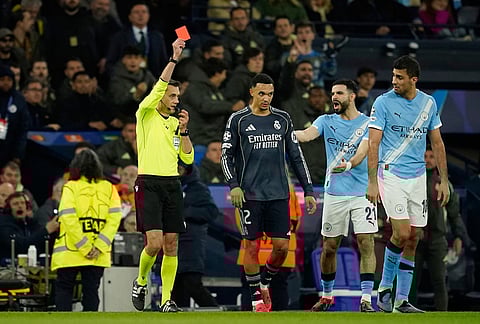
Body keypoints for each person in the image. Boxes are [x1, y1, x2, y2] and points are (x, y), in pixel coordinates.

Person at [221, 73, 317, 312]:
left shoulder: (282, 118)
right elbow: (226, 156)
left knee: (281, 247)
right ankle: (256, 297)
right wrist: (233, 185)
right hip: (250, 195)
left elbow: (296, 157)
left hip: (278, 194)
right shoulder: (238, 119)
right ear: (252, 91)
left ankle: (265, 282)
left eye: (270, 94)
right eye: (262, 93)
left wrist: (308, 190)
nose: (266, 98)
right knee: (251, 247)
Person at [366, 55, 449, 313]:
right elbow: (373, 143)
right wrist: (371, 181)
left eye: (399, 77)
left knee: (414, 237)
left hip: (417, 177)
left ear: (414, 79)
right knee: (401, 233)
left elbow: (437, 142)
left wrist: (444, 180)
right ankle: (384, 290)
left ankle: (401, 300)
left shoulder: (428, 103)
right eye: (393, 76)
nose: (394, 81)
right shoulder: (382, 102)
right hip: (390, 174)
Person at [294, 79, 377, 312]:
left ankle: (367, 299)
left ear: (352, 96)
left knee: (366, 242)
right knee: (330, 246)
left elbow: (364, 150)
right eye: (332, 93)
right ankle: (327, 295)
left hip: (362, 192)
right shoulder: (326, 120)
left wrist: (349, 165)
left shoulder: (369, 123)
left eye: (339, 93)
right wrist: (287, 133)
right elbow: (308, 134)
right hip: (334, 193)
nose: (334, 97)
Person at [131, 38, 194, 313]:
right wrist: (174, 58)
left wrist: (184, 131)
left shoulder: (173, 123)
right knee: (153, 244)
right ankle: (141, 280)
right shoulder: (145, 114)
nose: (175, 101)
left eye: (177, 97)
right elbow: (158, 86)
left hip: (171, 184)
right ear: (160, 97)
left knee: (171, 244)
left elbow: (188, 159)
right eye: (172, 96)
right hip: (148, 183)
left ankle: (167, 299)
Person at [51, 149, 122, 311]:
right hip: (97, 253)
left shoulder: (71, 187)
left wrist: (84, 246)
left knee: (65, 289)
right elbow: (114, 219)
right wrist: (98, 247)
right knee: (91, 291)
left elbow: (67, 217)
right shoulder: (109, 188)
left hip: (70, 251)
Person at [412, 146, 471, 311]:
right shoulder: (412, 181)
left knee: (439, 280)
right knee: (411, 280)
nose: (428, 160)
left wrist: (459, 236)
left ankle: (442, 315)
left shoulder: (445, 185)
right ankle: (406, 315)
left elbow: (454, 214)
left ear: (437, 160)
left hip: (438, 239)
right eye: (425, 156)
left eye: (432, 156)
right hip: (415, 238)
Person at [171, 162, 220, 308]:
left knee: (192, 283)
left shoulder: (197, 188)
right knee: (177, 287)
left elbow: (211, 211)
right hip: (173, 243)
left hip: (191, 242)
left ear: (186, 170)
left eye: (179, 168)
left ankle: (216, 314)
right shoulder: (168, 187)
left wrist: (185, 213)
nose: (176, 171)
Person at [0, 191, 59, 260]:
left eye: (22, 203)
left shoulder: (31, 223)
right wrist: (46, 230)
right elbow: (22, 245)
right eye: (15, 204)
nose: (20, 206)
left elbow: (41, 241)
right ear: (9, 209)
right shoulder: (4, 225)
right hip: (8, 268)